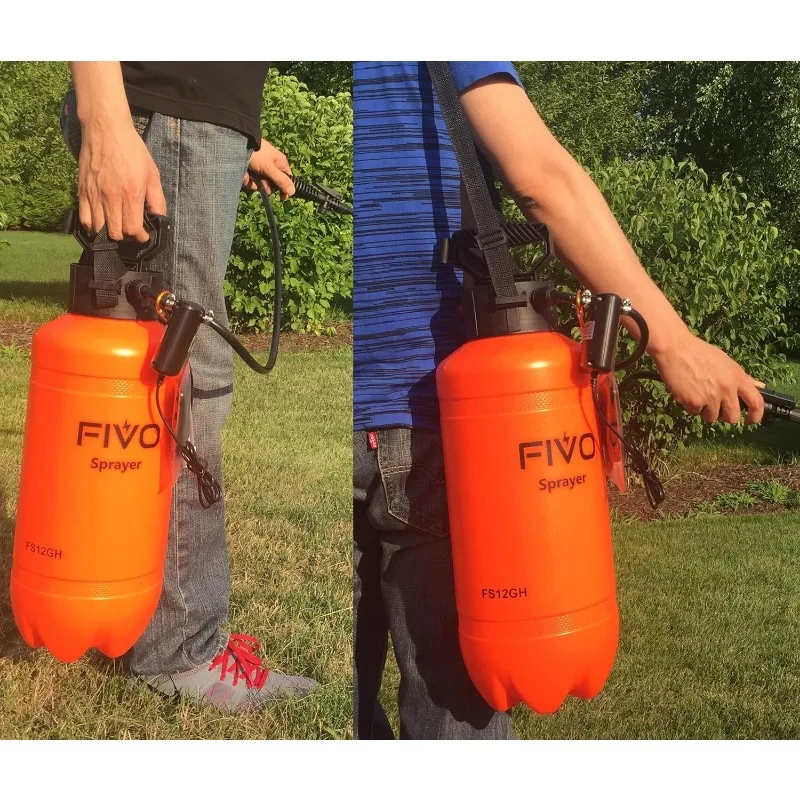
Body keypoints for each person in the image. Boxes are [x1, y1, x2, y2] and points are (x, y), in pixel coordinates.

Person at [352, 61, 765, 740]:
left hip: (358, 401)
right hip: (427, 414)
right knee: (456, 707)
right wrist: (673, 341)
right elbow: (541, 179)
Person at [61, 61, 317, 712]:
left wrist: (240, 133)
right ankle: (180, 652)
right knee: (187, 385)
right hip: (165, 117)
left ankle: (135, 608)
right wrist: (105, 113)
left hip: (190, 120)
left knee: (159, 378)